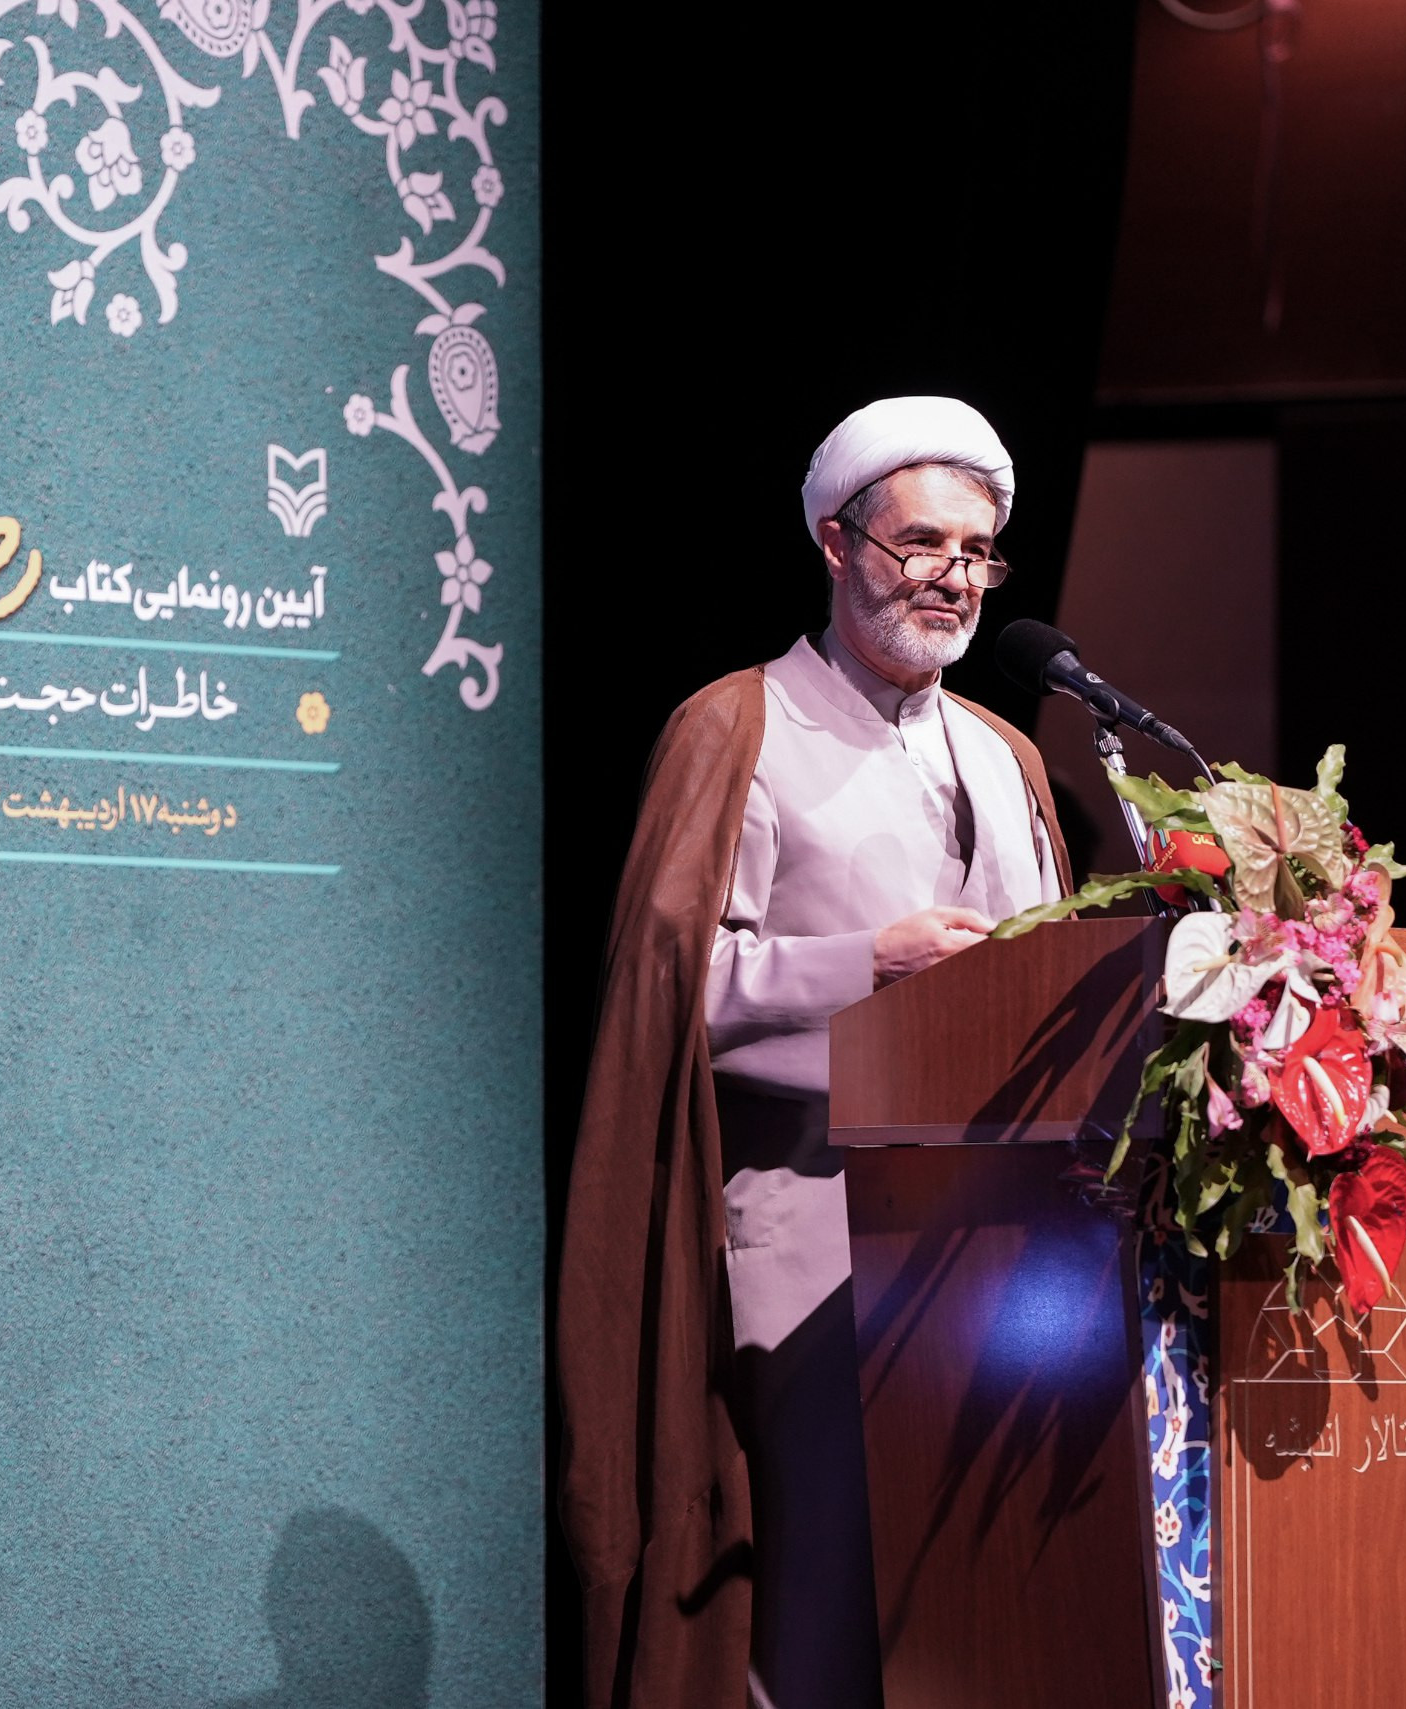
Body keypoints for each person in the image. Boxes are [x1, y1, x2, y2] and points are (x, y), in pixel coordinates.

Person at [557, 397, 1073, 1709]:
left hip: (1001, 1273)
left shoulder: (1009, 755)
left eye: (976, 552)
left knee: (978, 1631)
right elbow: (668, 997)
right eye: (921, 543)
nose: (952, 576)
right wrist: (866, 966)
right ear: (837, 544)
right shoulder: (741, 729)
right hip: (807, 1255)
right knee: (818, 1632)